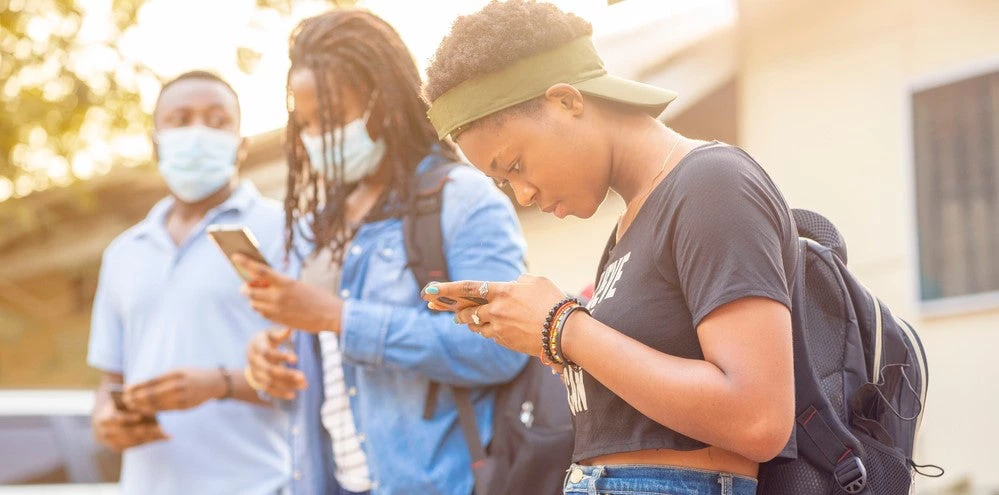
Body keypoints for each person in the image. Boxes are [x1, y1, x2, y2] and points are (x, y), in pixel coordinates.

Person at [421, 2, 797, 494]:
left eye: (513, 165)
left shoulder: (711, 184)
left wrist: (563, 327)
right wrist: (547, 334)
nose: (523, 195)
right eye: (502, 183)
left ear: (566, 101)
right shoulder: (627, 226)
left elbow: (758, 418)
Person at [234, 9, 529, 495]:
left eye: (331, 118)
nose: (316, 138)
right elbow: (320, 372)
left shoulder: (462, 201)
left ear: (385, 103)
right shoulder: (313, 230)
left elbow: (500, 348)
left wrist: (343, 319)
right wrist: (265, 365)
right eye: (306, 123)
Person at [87, 71, 293, 495]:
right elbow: (112, 378)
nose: (197, 133)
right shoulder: (124, 253)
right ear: (155, 142)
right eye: (179, 120)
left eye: (217, 121)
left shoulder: (287, 232)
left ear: (241, 145)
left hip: (260, 484)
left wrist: (220, 384)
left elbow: (315, 370)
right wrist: (106, 416)